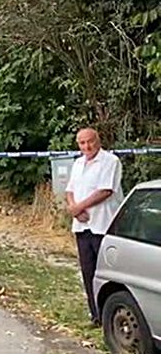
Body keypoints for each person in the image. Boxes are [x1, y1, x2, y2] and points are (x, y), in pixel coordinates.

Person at [65, 128, 124, 325]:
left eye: (90, 142)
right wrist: (74, 208)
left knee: (108, 273)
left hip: (103, 224)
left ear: (98, 140)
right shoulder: (78, 163)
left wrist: (80, 206)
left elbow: (106, 190)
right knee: (88, 271)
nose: (87, 146)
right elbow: (70, 190)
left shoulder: (110, 161)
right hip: (82, 226)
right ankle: (95, 314)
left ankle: (111, 315)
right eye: (82, 143)